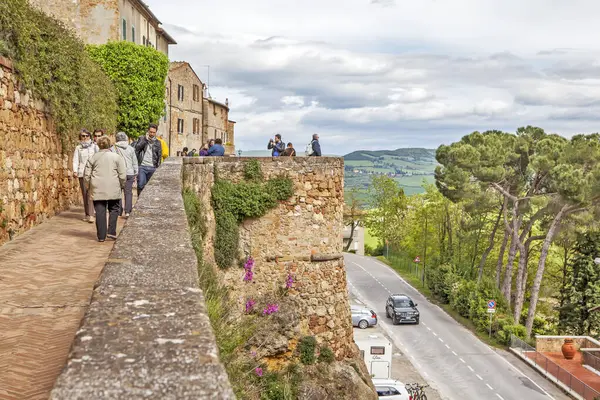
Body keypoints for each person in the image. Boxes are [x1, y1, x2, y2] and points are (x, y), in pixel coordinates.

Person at [84, 136, 126, 242]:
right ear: (109, 145)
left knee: (100, 211)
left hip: (97, 187)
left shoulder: (93, 158)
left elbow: (86, 175)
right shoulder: (116, 157)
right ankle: (111, 232)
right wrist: (122, 185)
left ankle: (101, 236)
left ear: (98, 145)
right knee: (114, 209)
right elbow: (122, 174)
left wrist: (88, 186)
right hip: (113, 186)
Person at [73, 129, 98, 223]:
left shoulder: (94, 147)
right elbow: (76, 160)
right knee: (85, 194)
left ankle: (91, 215)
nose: (85, 137)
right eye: (83, 136)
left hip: (92, 173)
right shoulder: (78, 148)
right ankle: (87, 214)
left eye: (86, 135)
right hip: (82, 173)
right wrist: (75, 171)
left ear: (89, 136)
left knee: (90, 193)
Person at [112, 132, 138, 218]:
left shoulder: (113, 148)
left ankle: (119, 211)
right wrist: (135, 172)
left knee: (118, 192)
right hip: (129, 173)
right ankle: (128, 211)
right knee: (128, 192)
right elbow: (134, 162)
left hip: (118, 173)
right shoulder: (131, 149)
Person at [134, 124, 162, 196]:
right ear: (148, 131)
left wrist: (157, 168)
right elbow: (137, 149)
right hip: (142, 166)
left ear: (156, 133)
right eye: (151, 132)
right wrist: (145, 140)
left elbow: (159, 155)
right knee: (140, 185)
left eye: (153, 132)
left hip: (152, 167)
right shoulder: (142, 139)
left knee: (150, 187)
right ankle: (139, 201)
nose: (152, 134)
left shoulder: (158, 142)